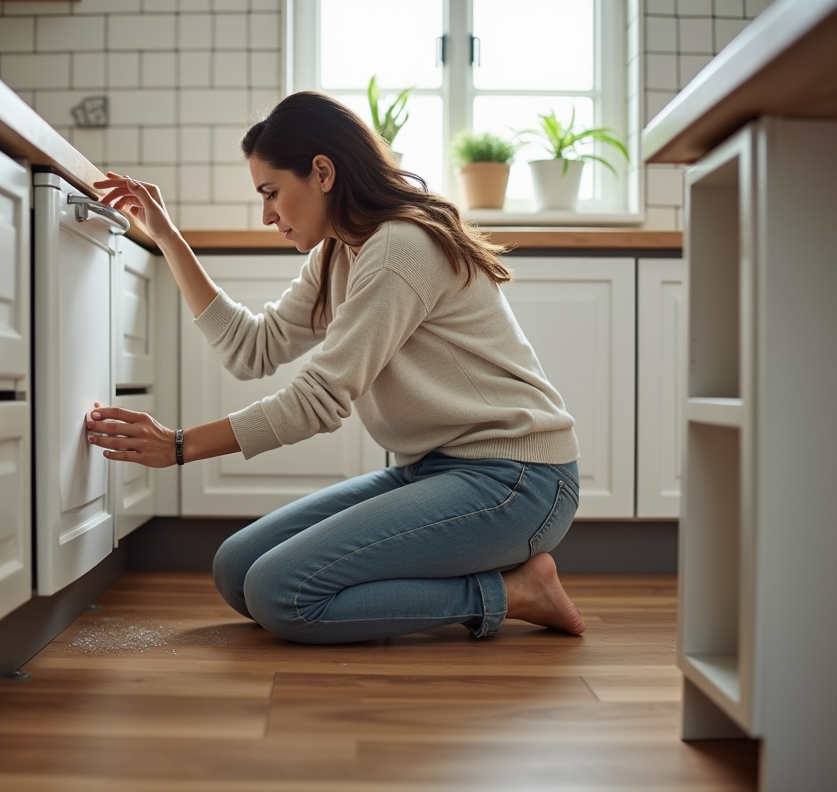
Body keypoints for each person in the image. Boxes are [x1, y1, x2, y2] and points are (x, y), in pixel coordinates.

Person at [87, 91, 586, 646]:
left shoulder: (401, 245)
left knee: (282, 593)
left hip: (515, 480)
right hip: (433, 470)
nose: (266, 214)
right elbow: (253, 347)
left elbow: (317, 400)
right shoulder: (336, 254)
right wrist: (168, 239)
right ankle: (493, 581)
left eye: (271, 192)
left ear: (322, 172)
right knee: (236, 570)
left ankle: (515, 593)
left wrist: (179, 445)